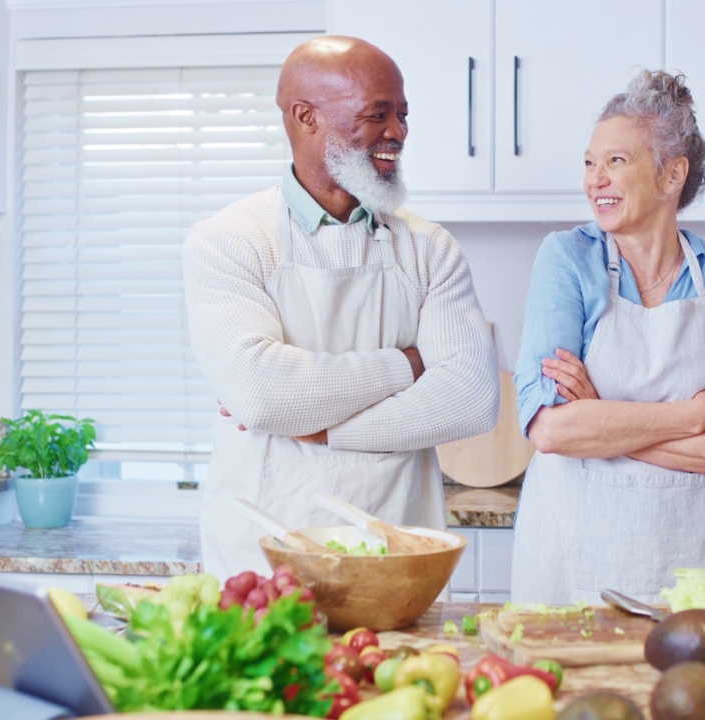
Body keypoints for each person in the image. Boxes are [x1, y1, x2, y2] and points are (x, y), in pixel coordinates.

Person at [182, 36, 499, 581]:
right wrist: (407, 365)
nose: (397, 133)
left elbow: (470, 401)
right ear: (306, 117)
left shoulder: (430, 246)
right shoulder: (230, 240)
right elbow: (262, 393)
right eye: (378, 114)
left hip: (394, 548)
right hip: (264, 554)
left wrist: (323, 431)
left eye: (402, 115)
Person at [510, 70, 705, 605]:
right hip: (572, 557)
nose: (595, 181)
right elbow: (551, 430)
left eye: (616, 161)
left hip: (694, 567)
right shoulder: (566, 259)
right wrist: (693, 417)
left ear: (670, 175)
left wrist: (605, 421)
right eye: (589, 163)